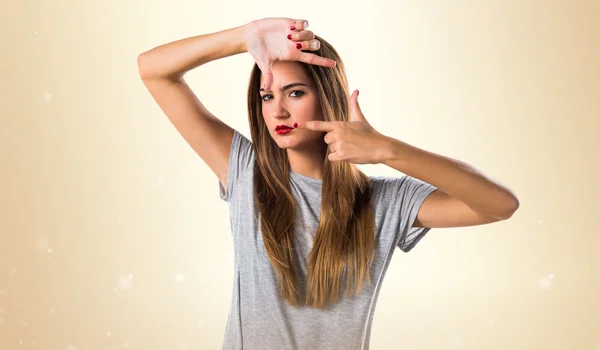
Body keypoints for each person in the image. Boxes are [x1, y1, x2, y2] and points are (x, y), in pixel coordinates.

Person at [137, 17, 519, 350]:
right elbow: (153, 69)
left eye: (295, 92)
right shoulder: (245, 171)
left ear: (328, 97)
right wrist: (244, 37)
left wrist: (387, 149)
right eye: (267, 96)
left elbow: (499, 205)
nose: (278, 109)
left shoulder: (382, 201)